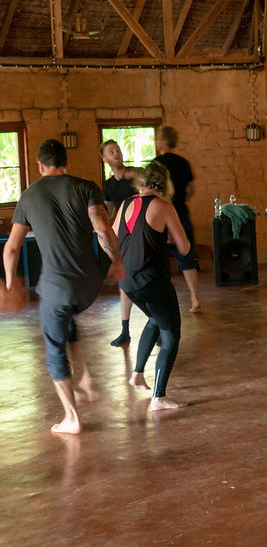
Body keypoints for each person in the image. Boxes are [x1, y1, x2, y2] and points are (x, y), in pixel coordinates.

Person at [1, 139, 123, 434]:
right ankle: (86, 379)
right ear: (65, 162)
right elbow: (102, 227)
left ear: (40, 165)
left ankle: (72, 418)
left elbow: (11, 249)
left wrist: (9, 284)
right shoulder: (86, 186)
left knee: (54, 349)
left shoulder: (29, 196)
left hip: (58, 287)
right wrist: (117, 261)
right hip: (88, 285)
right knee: (67, 322)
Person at [112, 162, 191, 411]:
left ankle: (137, 373)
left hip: (128, 281)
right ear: (164, 184)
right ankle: (159, 396)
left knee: (155, 320)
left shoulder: (126, 203)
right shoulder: (164, 206)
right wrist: (164, 236)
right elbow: (185, 247)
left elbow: (114, 235)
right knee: (171, 337)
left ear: (142, 182)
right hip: (152, 281)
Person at [154, 125, 201, 313]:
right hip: (181, 213)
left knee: (159, 259)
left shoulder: (156, 164)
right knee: (187, 257)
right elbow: (192, 189)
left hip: (161, 217)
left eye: (158, 139)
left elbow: (154, 192)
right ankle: (195, 299)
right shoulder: (183, 163)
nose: (157, 143)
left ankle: (163, 302)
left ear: (164, 141)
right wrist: (180, 200)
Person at [101, 139, 137, 346]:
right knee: (124, 280)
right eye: (111, 151)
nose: (117, 153)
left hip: (142, 232)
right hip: (123, 234)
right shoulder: (108, 185)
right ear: (105, 159)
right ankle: (125, 330)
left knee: (145, 279)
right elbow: (110, 211)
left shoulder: (136, 175)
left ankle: (158, 326)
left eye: (118, 150)